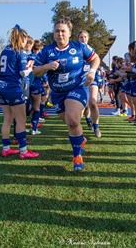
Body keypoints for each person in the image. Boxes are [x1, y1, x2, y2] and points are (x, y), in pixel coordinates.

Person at [33, 18, 100, 171]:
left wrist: (92, 71)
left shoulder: (79, 47)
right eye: (57, 31)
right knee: (70, 122)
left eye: (63, 31)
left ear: (69, 33)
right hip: (57, 93)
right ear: (53, 33)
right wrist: (47, 66)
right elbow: (35, 71)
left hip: (77, 87)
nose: (60, 34)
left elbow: (95, 58)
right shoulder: (46, 51)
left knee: (72, 119)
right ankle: (80, 139)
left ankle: (77, 156)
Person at [0, 24, 39, 159]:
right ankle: (23, 151)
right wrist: (32, 67)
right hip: (12, 87)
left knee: (7, 119)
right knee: (21, 120)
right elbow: (22, 73)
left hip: (1, 86)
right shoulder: (19, 52)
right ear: (21, 39)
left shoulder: (4, 50)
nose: (26, 43)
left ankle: (6, 148)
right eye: (25, 40)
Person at [78, 30, 102, 137]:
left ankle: (96, 126)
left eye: (85, 37)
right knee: (83, 105)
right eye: (81, 37)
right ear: (78, 38)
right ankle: (86, 120)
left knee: (92, 102)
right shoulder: (75, 50)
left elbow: (96, 61)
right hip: (80, 81)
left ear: (88, 38)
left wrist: (94, 74)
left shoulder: (91, 50)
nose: (83, 39)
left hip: (92, 79)